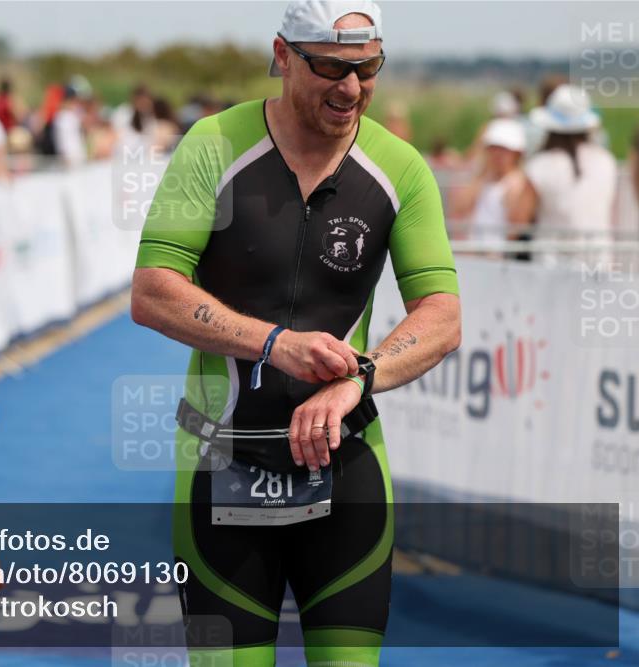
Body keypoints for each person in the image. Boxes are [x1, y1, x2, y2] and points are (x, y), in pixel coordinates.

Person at [131, 2, 461, 666]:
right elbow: (152, 291)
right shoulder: (212, 146)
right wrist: (274, 341)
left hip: (346, 464)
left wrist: (358, 379)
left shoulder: (399, 167)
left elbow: (443, 315)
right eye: (330, 69)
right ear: (282, 56)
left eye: (368, 69)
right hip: (223, 461)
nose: (350, 89)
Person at [510, 84, 617, 263]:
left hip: (552, 264)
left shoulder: (540, 165)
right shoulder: (606, 161)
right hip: (600, 260)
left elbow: (518, 221)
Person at [451, 118, 526, 250]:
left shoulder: (518, 182)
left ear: (516, 153)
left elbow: (515, 226)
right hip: (476, 254)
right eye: (493, 148)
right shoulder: (483, 179)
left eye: (503, 149)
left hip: (499, 258)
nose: (497, 154)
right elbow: (460, 207)